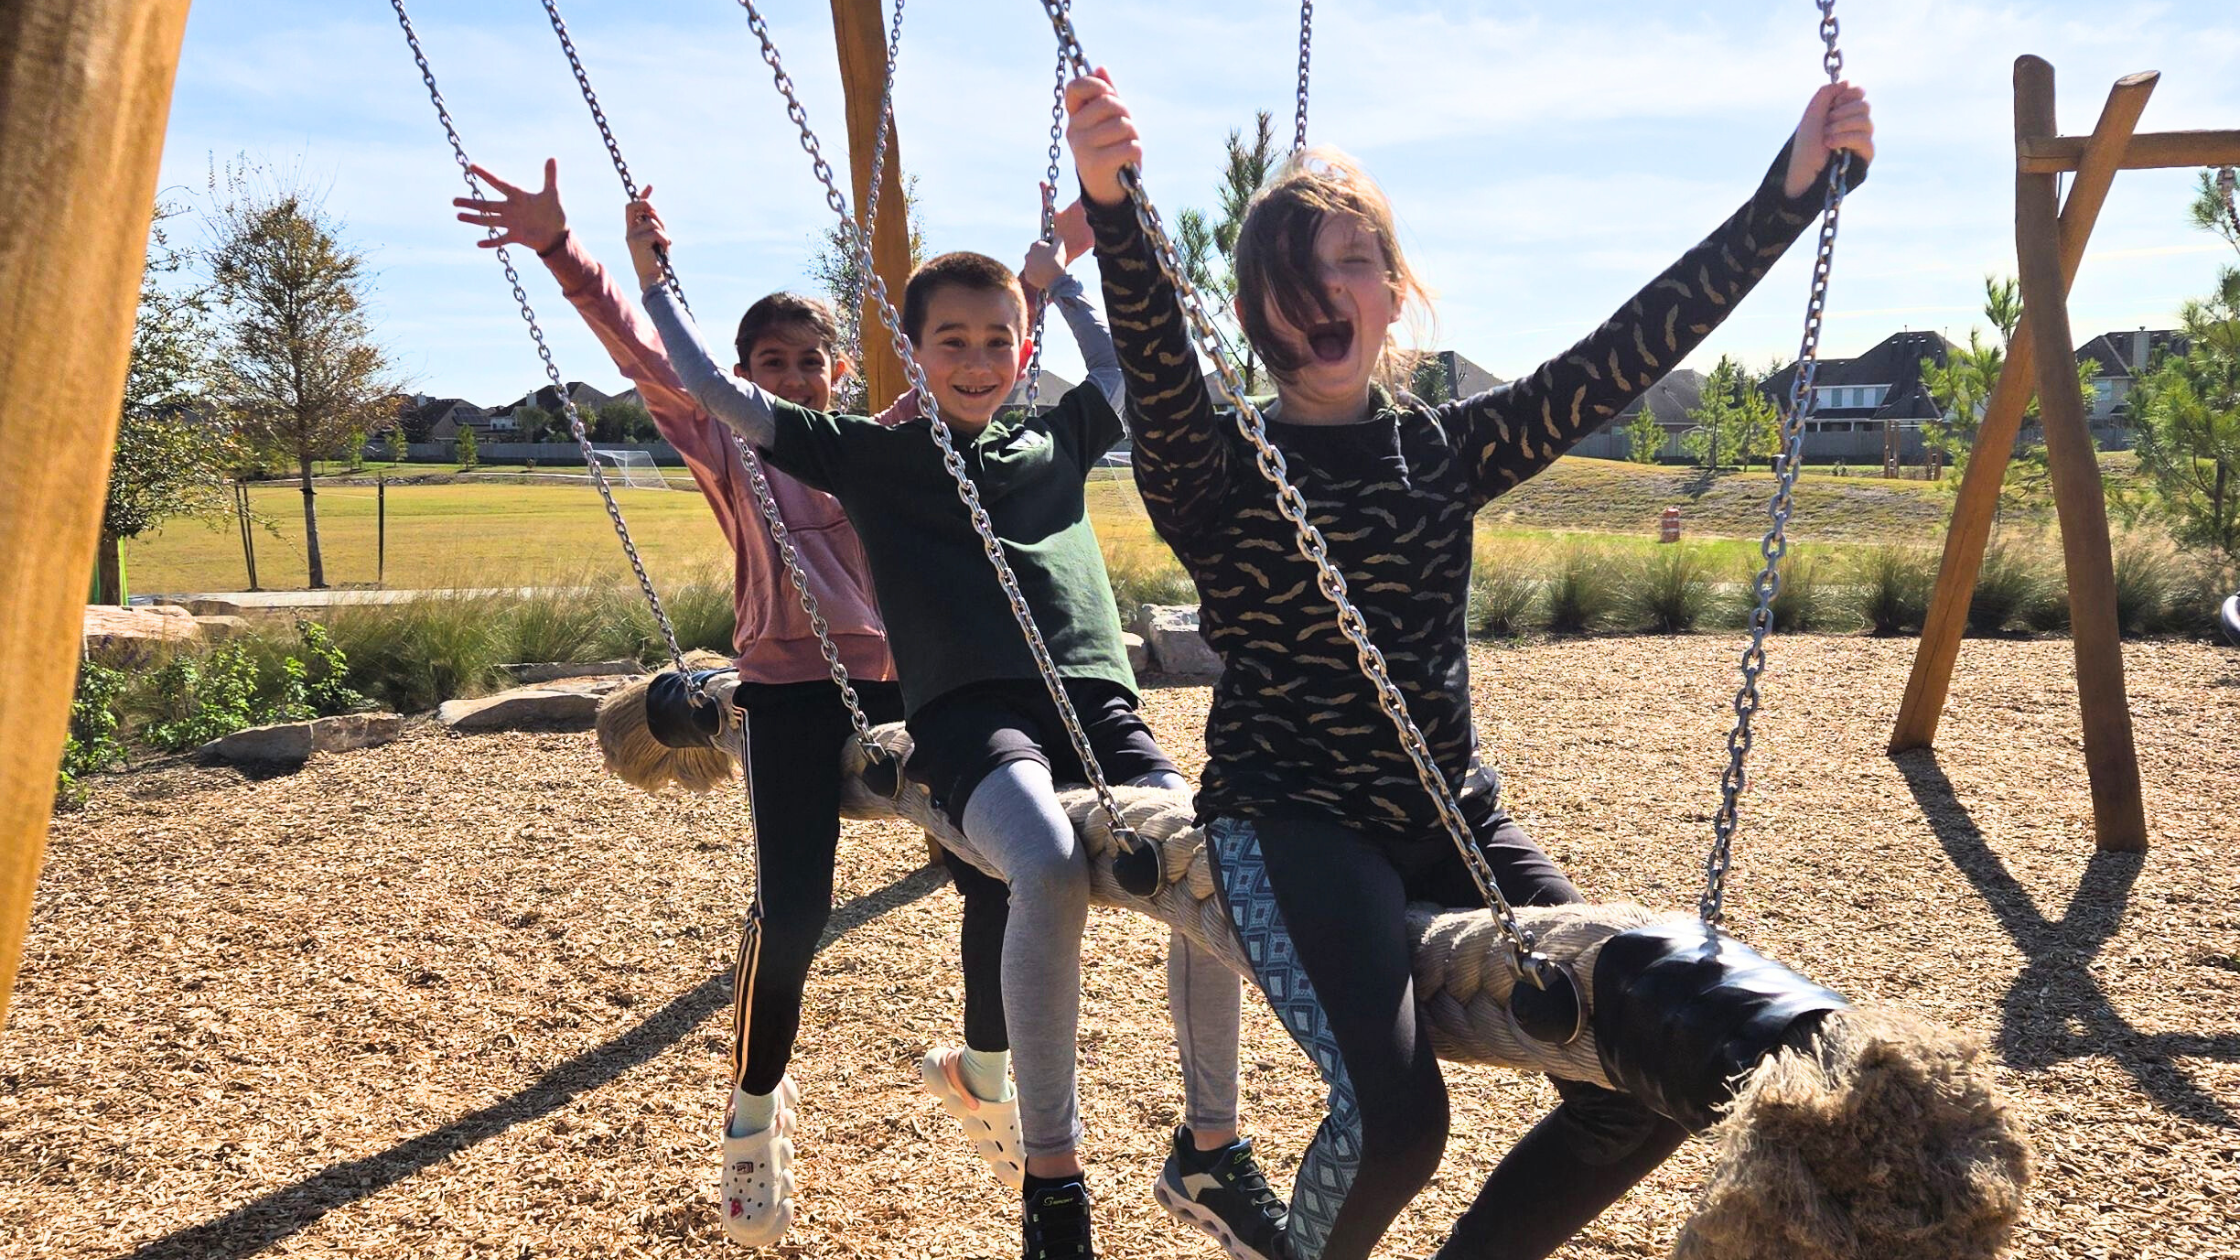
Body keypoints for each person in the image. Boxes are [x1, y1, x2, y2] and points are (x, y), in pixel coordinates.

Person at [1068, 69, 1875, 1260]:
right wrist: (1116, 215)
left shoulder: (1446, 448)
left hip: (1450, 817)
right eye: (1289, 280)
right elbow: (1151, 351)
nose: (1320, 295)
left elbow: (1621, 354)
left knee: (1640, 1077)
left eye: (1349, 264)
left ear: (1392, 295)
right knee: (1397, 1125)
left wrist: (1784, 198)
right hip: (1289, 818)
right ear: (1251, 315)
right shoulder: (1216, 466)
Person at [631, 191, 1287, 1260]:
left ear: (1022, 348)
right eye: (951, 341)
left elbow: (1128, 377)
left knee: (1206, 856)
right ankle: (1052, 1177)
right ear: (914, 353)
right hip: (970, 712)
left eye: (996, 340)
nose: (977, 359)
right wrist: (654, 278)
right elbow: (714, 393)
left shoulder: (1056, 436)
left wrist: (1064, 280)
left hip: (1095, 697)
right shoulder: (871, 456)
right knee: (1039, 861)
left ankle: (1210, 1143)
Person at [452, 161, 1018, 1247]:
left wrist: (1046, 271)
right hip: (789, 691)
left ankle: (981, 1068)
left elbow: (960, 368)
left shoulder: (879, 441)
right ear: (745, 374)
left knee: (997, 867)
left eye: (812, 364)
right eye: (772, 364)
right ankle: (753, 1116)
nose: (796, 379)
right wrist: (575, 257)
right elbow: (648, 355)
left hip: (908, 684)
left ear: (841, 373)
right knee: (792, 911)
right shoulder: (726, 442)